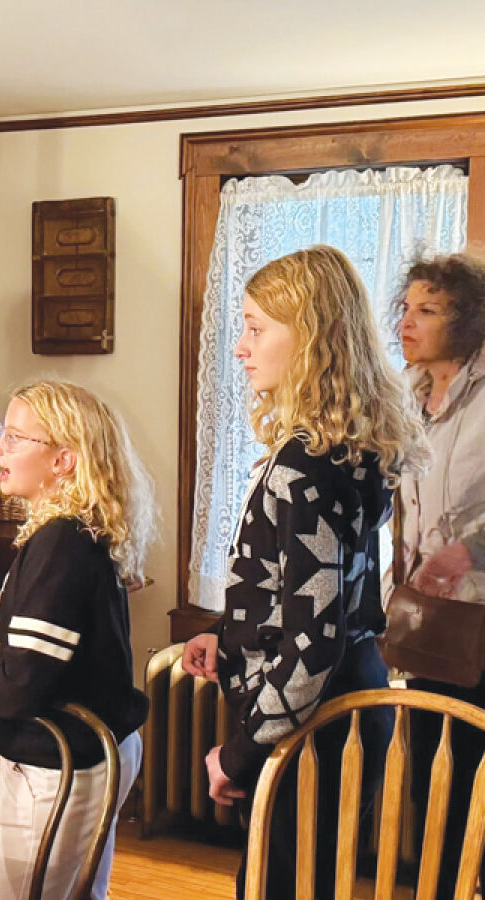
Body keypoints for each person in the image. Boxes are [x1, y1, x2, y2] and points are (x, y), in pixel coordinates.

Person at [181, 246, 427, 899]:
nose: (240, 346)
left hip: (312, 731)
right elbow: (314, 595)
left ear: (313, 338)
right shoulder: (344, 449)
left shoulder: (304, 465)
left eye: (257, 328)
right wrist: (226, 631)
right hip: (344, 709)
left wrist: (236, 754)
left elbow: (311, 643)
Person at [0, 381, 155, 900]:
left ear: (63, 461)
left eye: (13, 437)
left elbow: (19, 687)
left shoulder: (62, 544)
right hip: (78, 751)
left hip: (61, 760)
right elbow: (14, 651)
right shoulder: (63, 533)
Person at [395, 252, 485, 900]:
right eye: (405, 306)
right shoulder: (409, 393)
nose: (408, 321)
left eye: (427, 310)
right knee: (435, 770)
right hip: (430, 614)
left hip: (482, 609)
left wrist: (472, 550)